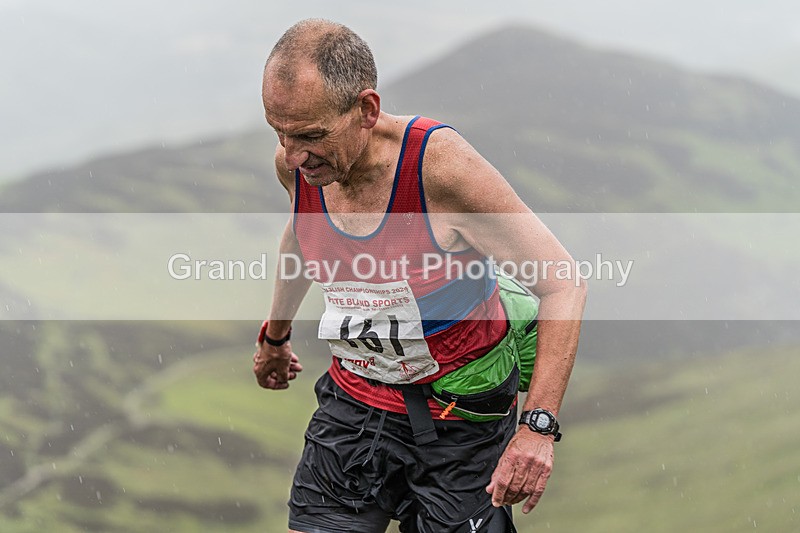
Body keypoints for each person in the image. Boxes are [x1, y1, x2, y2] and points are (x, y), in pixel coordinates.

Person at [253, 19, 587, 533]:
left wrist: (537, 429)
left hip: (461, 418)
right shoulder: (299, 167)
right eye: (279, 132)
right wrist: (274, 337)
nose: (293, 156)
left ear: (366, 110)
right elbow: (302, 236)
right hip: (355, 401)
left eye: (310, 136)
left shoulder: (440, 170)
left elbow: (562, 281)